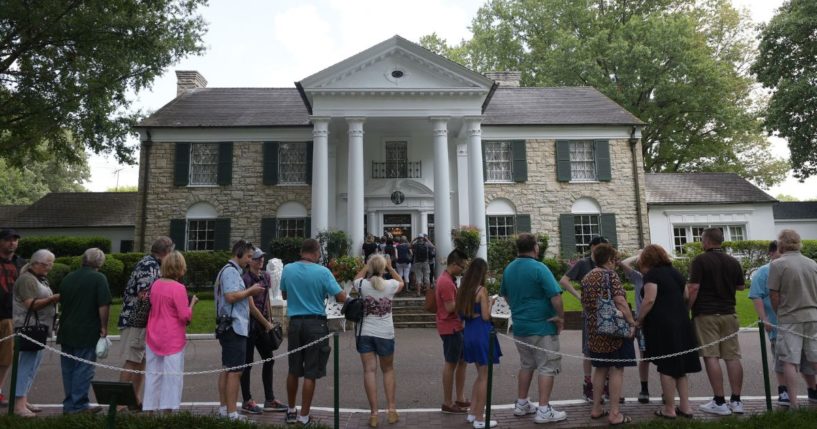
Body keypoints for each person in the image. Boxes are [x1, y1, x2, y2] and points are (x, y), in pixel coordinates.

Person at [500, 233, 567, 423]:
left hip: (520, 326)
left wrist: (518, 308)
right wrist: (560, 318)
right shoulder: (539, 268)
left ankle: (522, 403)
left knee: (527, 364)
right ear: (535, 248)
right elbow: (556, 296)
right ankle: (544, 409)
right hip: (542, 325)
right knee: (547, 366)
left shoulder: (509, 268)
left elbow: (505, 295)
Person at [281, 238, 347, 426]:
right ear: (316, 252)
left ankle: (291, 410)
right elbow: (341, 296)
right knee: (310, 371)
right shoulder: (323, 272)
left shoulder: (288, 269)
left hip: (295, 323)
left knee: (293, 369)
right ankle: (304, 416)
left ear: (302, 251)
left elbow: (284, 294)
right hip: (316, 324)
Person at [635, 244, 701, 419]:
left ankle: (669, 409)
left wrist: (639, 320)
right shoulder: (675, 273)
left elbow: (649, 300)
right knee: (681, 367)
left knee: (667, 367)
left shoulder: (652, 275)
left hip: (662, 325)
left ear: (647, 259)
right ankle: (685, 407)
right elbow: (686, 296)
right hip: (681, 322)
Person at [750, 239, 817, 407]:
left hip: (797, 321)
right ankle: (784, 391)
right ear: (772, 253)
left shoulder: (798, 266)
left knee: (807, 358)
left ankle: (812, 389)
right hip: (778, 323)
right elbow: (757, 295)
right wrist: (764, 319)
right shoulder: (764, 272)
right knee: (783, 358)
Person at [686, 227, 745, 415]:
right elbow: (741, 286)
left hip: (706, 313)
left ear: (707, 241)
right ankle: (736, 400)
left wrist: (687, 308)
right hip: (729, 313)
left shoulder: (700, 261)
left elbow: (694, 287)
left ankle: (719, 401)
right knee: (732, 356)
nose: (701, 242)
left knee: (711, 356)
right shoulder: (733, 261)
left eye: (702, 239)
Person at [581, 243, 636, 426]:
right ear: (610, 260)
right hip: (613, 331)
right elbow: (620, 301)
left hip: (595, 330)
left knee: (600, 368)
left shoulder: (588, 277)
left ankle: (596, 408)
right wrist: (631, 322)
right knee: (617, 369)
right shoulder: (610, 275)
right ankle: (614, 413)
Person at [117, 236, 175, 407]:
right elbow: (145, 295)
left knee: (141, 361)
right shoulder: (148, 265)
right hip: (137, 320)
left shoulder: (154, 264)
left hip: (144, 321)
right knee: (132, 360)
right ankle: (119, 404)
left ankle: (134, 400)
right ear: (167, 251)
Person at [57, 248, 112, 414]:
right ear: (100, 262)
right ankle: (79, 405)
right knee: (84, 369)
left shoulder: (68, 277)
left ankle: (70, 404)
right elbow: (103, 305)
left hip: (66, 330)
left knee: (69, 369)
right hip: (86, 330)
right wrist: (104, 327)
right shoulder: (98, 278)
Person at [216, 240, 266, 421]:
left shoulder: (230, 271)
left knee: (228, 369)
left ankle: (224, 410)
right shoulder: (230, 272)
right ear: (239, 254)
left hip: (230, 327)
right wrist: (250, 291)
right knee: (235, 372)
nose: (250, 261)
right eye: (248, 257)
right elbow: (230, 297)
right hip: (234, 327)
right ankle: (231, 413)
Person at [352, 254, 404, 427]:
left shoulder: (363, 285)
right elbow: (402, 283)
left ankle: (374, 414)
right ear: (382, 269)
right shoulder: (390, 285)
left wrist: (367, 266)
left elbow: (356, 278)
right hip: (385, 333)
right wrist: (390, 268)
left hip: (366, 332)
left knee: (369, 371)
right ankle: (391, 410)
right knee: (388, 370)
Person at [143, 251, 198, 412]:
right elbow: (185, 316)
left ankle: (149, 410)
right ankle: (168, 411)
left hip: (153, 334)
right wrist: (192, 303)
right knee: (172, 377)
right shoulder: (179, 288)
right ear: (180, 268)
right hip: (172, 337)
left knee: (152, 375)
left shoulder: (156, 284)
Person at [769, 229, 817, 408]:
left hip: (789, 317)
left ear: (781, 243)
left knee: (789, 361)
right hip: (813, 315)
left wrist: (778, 312)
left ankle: (794, 403)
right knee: (814, 357)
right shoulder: (812, 263)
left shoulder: (778, 264)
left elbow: (774, 294)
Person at [12, 249, 59, 417]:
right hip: (29, 329)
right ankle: (18, 405)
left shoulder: (38, 279)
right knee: (27, 366)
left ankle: (23, 399)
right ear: (37, 263)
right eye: (48, 264)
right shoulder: (27, 280)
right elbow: (30, 304)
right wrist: (54, 299)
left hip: (38, 329)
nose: (50, 268)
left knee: (33, 366)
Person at [240, 248, 287, 413]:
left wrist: (270, 319)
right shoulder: (245, 279)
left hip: (263, 324)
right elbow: (251, 307)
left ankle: (270, 398)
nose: (261, 261)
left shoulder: (265, 276)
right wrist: (265, 323)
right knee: (247, 364)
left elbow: (266, 298)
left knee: (269, 360)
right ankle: (247, 400)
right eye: (257, 259)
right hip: (249, 326)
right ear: (250, 261)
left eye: (262, 259)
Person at [456, 258, 501, 429]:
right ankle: (480, 418)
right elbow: (486, 316)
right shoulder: (481, 291)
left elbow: (460, 315)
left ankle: (472, 412)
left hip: (469, 332)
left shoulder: (463, 290)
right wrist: (491, 302)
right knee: (484, 377)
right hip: (481, 332)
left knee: (479, 375)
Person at [559, 236, 605, 401]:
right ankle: (588, 385)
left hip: (606, 312)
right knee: (588, 349)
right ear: (592, 247)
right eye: (600, 246)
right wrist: (579, 296)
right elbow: (564, 281)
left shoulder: (606, 263)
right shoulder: (583, 264)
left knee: (607, 348)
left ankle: (604, 386)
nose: (602, 250)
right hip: (589, 312)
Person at [435, 248, 470, 414]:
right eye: (462, 267)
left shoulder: (448, 279)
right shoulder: (446, 282)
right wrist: (466, 298)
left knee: (461, 362)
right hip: (451, 327)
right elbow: (450, 307)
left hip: (455, 327)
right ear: (454, 265)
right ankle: (448, 402)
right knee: (451, 363)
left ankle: (460, 398)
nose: (463, 270)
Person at [619, 253, 651, 403]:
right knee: (644, 357)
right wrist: (640, 252)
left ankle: (667, 390)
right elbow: (624, 262)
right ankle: (644, 388)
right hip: (641, 322)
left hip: (657, 321)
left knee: (664, 357)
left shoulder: (658, 276)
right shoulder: (639, 277)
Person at [0, 228, 25, 405]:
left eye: (15, 240)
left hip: (10, 316)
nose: (12, 243)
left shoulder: (21, 263)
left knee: (6, 358)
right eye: (8, 239)